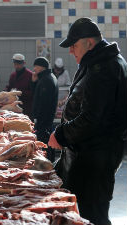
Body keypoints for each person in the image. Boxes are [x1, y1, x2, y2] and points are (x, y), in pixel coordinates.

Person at [48, 17, 127, 225]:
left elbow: (93, 118)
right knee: (82, 214)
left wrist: (61, 134)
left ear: (89, 43)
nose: (71, 51)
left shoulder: (104, 68)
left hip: (95, 161)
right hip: (87, 158)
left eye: (74, 45)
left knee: (91, 216)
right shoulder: (98, 62)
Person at [31, 57, 58, 162]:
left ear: (41, 67)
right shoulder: (47, 77)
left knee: (44, 145)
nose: (34, 69)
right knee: (47, 143)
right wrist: (34, 82)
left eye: (35, 67)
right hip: (46, 120)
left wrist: (37, 119)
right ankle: (49, 164)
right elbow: (37, 96)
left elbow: (42, 102)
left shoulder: (46, 80)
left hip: (44, 121)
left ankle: (47, 166)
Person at [6, 53, 33, 118]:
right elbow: (9, 87)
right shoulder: (13, 75)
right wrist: (5, 93)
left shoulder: (30, 75)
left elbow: (33, 92)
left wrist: (20, 93)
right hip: (14, 108)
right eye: (15, 64)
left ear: (24, 63)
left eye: (19, 64)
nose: (17, 66)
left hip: (27, 108)